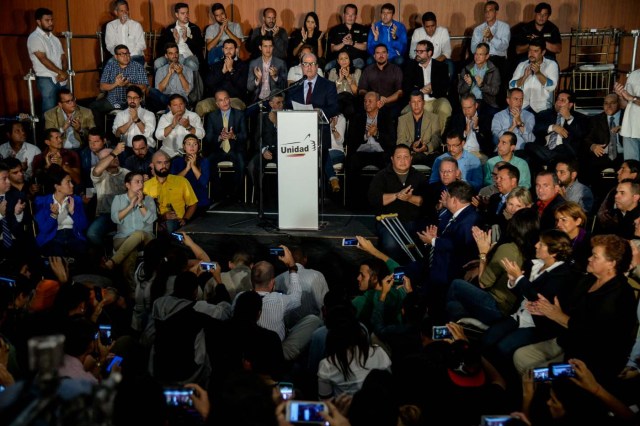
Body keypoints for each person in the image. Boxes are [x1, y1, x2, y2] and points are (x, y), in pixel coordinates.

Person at [513, 234, 637, 384]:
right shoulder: (589, 279)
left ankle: (551, 401)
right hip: (568, 341)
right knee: (520, 356)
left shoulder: (621, 296)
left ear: (612, 263)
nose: (589, 258)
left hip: (589, 362)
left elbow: (593, 335)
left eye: (595, 257)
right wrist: (547, 310)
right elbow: (567, 307)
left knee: (536, 376)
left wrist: (558, 316)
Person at [446, 208, 539, 327]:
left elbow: (483, 283)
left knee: (456, 284)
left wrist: (483, 253)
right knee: (453, 306)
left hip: (497, 307)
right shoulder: (534, 250)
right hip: (512, 307)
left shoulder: (508, 249)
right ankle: (459, 328)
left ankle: (450, 330)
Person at [418, 181, 481, 318]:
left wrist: (433, 241)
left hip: (449, 274)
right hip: (440, 269)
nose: (444, 200)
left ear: (454, 200)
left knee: (438, 308)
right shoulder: (459, 215)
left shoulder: (468, 220)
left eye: (447, 197)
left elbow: (459, 246)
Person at [286, 52, 340, 190]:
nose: (309, 67)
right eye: (305, 64)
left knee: (319, 159)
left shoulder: (328, 85)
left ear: (317, 67)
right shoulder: (295, 86)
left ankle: (322, 190)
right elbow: (288, 105)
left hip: (319, 131)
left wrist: (320, 112)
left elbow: (334, 107)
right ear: (302, 67)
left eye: (312, 64)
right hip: (298, 133)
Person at [317, 306, 391, 398]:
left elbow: (326, 403)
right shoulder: (379, 352)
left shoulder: (327, 365)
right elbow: (389, 384)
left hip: (344, 411)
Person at [368, 145, 427, 259]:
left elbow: (426, 202)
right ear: (392, 159)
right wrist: (397, 195)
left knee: (422, 245)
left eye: (406, 157)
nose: (403, 161)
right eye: (399, 157)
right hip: (388, 223)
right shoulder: (381, 176)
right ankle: (394, 272)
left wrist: (409, 198)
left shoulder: (420, 177)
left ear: (411, 158)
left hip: (414, 222)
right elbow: (374, 200)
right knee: (391, 246)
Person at [104, 172, 157, 284]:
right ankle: (132, 290)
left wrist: (140, 204)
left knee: (138, 233)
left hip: (146, 238)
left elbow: (151, 219)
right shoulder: (118, 199)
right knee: (131, 251)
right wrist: (130, 206)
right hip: (123, 237)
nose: (141, 184)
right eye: (137, 181)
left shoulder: (149, 200)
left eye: (142, 181)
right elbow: (115, 218)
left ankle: (113, 261)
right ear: (127, 185)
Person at [34, 167, 88, 257]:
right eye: (68, 182)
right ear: (57, 186)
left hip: (73, 235)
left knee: (82, 253)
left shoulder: (76, 200)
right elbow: (44, 229)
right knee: (57, 253)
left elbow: (83, 226)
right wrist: (53, 216)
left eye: (71, 182)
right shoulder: (42, 202)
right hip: (52, 238)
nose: (72, 185)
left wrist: (73, 212)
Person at [203, 90, 247, 201]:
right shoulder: (212, 116)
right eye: (221, 100)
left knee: (241, 163)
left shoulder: (240, 114)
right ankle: (218, 194)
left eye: (226, 98)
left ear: (230, 99)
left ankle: (236, 195)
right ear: (217, 103)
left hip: (235, 149)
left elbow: (245, 136)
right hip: (218, 150)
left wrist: (234, 136)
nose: (225, 102)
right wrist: (219, 137)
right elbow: (208, 137)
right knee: (207, 162)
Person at [529, 90, 588, 167]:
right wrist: (553, 127)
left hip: (565, 150)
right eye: (558, 99)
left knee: (561, 151)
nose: (558, 102)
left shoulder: (580, 118)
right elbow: (536, 128)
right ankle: (553, 159)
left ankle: (551, 160)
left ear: (570, 105)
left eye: (562, 100)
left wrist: (569, 118)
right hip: (545, 149)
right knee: (529, 146)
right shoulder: (544, 114)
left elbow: (580, 134)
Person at [403, 40, 452, 132]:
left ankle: (437, 140)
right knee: (405, 112)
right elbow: (406, 87)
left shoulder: (441, 66)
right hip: (418, 100)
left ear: (429, 53)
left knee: (445, 107)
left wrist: (432, 89)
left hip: (436, 99)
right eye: (416, 51)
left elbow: (445, 87)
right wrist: (421, 90)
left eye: (421, 52)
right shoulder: (410, 66)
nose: (417, 54)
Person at [143, 150, 198, 233]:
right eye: (159, 163)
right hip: (155, 221)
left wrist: (185, 219)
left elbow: (193, 203)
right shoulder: (146, 186)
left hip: (176, 222)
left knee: (170, 224)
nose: (163, 165)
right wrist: (162, 217)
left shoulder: (181, 181)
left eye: (166, 162)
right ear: (152, 165)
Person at [87, 142, 129, 248]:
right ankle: (108, 251)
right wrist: (114, 152)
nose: (115, 158)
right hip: (106, 214)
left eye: (116, 156)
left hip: (124, 214)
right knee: (92, 234)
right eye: (111, 157)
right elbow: (97, 171)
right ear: (102, 161)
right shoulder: (97, 172)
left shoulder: (126, 173)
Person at [27, 8, 67, 114]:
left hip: (61, 78)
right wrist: (61, 72)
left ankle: (64, 130)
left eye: (52, 20)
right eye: (47, 20)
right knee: (49, 111)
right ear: (38, 21)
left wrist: (64, 72)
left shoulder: (55, 38)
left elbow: (63, 57)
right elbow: (43, 59)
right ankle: (49, 131)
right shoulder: (34, 37)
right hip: (46, 79)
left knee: (64, 111)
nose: (51, 23)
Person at [581, 93, 624, 186]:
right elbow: (587, 138)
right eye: (606, 103)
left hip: (623, 154)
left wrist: (624, 128)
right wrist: (593, 146)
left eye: (612, 103)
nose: (608, 106)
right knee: (586, 165)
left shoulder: (627, 117)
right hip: (603, 154)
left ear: (619, 103)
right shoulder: (596, 119)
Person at [91, 45, 148, 113]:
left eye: (127, 54)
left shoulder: (138, 67)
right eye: (121, 54)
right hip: (112, 101)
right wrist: (116, 84)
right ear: (116, 56)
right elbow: (102, 87)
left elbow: (144, 87)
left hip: (131, 102)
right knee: (93, 106)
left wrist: (128, 84)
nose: (125, 57)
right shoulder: (110, 66)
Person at [509, 38, 559, 115]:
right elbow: (511, 86)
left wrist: (538, 73)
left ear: (543, 52)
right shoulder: (522, 65)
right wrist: (524, 77)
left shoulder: (551, 64)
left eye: (535, 51)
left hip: (542, 109)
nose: (531, 54)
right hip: (523, 108)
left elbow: (551, 86)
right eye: (530, 50)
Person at [154, 2, 203, 72]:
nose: (186, 15)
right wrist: (175, 41)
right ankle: (162, 83)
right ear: (177, 14)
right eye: (183, 13)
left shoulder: (194, 28)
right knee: (158, 63)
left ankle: (189, 83)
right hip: (172, 57)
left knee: (191, 64)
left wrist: (187, 39)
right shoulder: (169, 29)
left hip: (189, 56)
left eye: (187, 13)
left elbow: (200, 47)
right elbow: (162, 47)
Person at [396, 91, 441, 167]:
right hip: (410, 154)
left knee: (438, 162)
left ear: (423, 103)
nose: (416, 105)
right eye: (413, 102)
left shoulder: (434, 118)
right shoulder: (402, 119)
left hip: (428, 154)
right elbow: (400, 140)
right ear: (410, 104)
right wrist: (411, 145)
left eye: (419, 101)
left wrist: (426, 147)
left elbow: (436, 139)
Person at [169, 134, 210, 216]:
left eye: (195, 144)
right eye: (189, 144)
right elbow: (173, 182)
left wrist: (193, 166)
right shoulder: (176, 161)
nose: (192, 147)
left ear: (198, 146)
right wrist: (187, 169)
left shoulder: (204, 161)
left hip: (199, 199)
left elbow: (204, 182)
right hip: (181, 199)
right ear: (184, 147)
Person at [358, 44, 403, 115]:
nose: (381, 55)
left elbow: (399, 92)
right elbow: (361, 91)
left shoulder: (396, 70)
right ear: (374, 56)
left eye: (383, 52)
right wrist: (375, 99)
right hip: (371, 104)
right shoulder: (368, 70)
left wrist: (386, 100)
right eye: (378, 53)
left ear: (387, 55)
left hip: (390, 104)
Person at [147, 42, 193, 112]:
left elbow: (187, 90)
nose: (174, 55)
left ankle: (169, 108)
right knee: (152, 91)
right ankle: (170, 106)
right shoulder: (160, 70)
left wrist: (180, 74)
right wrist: (169, 74)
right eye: (171, 53)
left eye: (176, 53)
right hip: (165, 98)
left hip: (181, 99)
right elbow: (159, 90)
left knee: (174, 104)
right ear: (166, 56)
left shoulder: (188, 70)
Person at [596, 160, 640, 233]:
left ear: (634, 174)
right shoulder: (613, 190)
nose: (618, 172)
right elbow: (602, 213)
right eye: (617, 192)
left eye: (623, 169)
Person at [155, 94, 204, 158]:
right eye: (175, 105)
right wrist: (172, 125)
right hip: (168, 152)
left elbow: (201, 135)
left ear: (185, 104)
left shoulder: (193, 116)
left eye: (181, 104)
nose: (179, 107)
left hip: (189, 153)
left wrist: (188, 127)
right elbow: (158, 136)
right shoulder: (165, 117)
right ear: (169, 107)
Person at [470, 1, 510, 80]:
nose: (487, 13)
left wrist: (491, 37)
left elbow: (504, 47)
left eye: (490, 10)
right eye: (485, 11)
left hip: (498, 59)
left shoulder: (504, 27)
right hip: (481, 59)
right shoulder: (478, 29)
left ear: (496, 12)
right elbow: (473, 49)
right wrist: (482, 41)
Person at [203, 39, 248, 106]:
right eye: (226, 48)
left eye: (231, 48)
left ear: (236, 50)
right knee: (201, 106)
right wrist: (222, 71)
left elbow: (242, 85)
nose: (228, 51)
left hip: (234, 99)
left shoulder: (243, 65)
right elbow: (208, 82)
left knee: (235, 109)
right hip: (216, 99)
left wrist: (231, 70)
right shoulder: (216, 64)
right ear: (222, 50)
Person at [458, 42, 500, 114]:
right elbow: (460, 90)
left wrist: (482, 85)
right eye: (476, 54)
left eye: (480, 54)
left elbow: (495, 91)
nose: (477, 57)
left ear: (487, 56)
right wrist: (468, 84)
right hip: (469, 101)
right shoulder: (467, 69)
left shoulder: (493, 70)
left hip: (487, 102)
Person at [325, 4, 368, 71]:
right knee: (327, 67)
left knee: (359, 65)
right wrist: (344, 43)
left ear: (356, 16)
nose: (350, 17)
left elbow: (365, 47)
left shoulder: (362, 29)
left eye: (353, 14)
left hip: (356, 60)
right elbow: (333, 48)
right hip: (339, 60)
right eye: (348, 14)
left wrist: (352, 43)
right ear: (343, 15)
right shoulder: (335, 30)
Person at [104, 0, 146, 65]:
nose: (125, 13)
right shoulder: (110, 26)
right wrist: (120, 55)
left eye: (126, 10)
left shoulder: (136, 25)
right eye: (121, 11)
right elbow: (110, 45)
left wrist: (128, 55)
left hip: (135, 56)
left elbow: (141, 44)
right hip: (118, 57)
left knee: (130, 65)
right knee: (109, 63)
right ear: (116, 12)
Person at [246, 36, 287, 102]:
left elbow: (284, 87)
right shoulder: (253, 63)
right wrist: (257, 79)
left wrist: (275, 77)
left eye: (270, 46)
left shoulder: (281, 63)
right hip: (257, 99)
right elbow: (249, 88)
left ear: (273, 47)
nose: (268, 49)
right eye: (265, 46)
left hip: (274, 100)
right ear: (260, 48)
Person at [554, 201, 590, 272]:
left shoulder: (589, 241)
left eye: (563, 220)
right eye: (557, 220)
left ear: (578, 221)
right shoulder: (556, 237)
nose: (558, 224)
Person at [614, 69, 640, 161]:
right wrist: (620, 95)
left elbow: (631, 98)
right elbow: (624, 105)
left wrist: (632, 98)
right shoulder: (634, 74)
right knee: (631, 167)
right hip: (629, 129)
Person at [327, 50, 360, 118]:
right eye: (341, 59)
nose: (344, 61)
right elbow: (329, 92)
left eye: (346, 58)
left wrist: (348, 77)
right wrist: (340, 79)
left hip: (351, 99)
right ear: (338, 61)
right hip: (338, 98)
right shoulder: (333, 71)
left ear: (350, 59)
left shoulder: (357, 71)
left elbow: (356, 92)